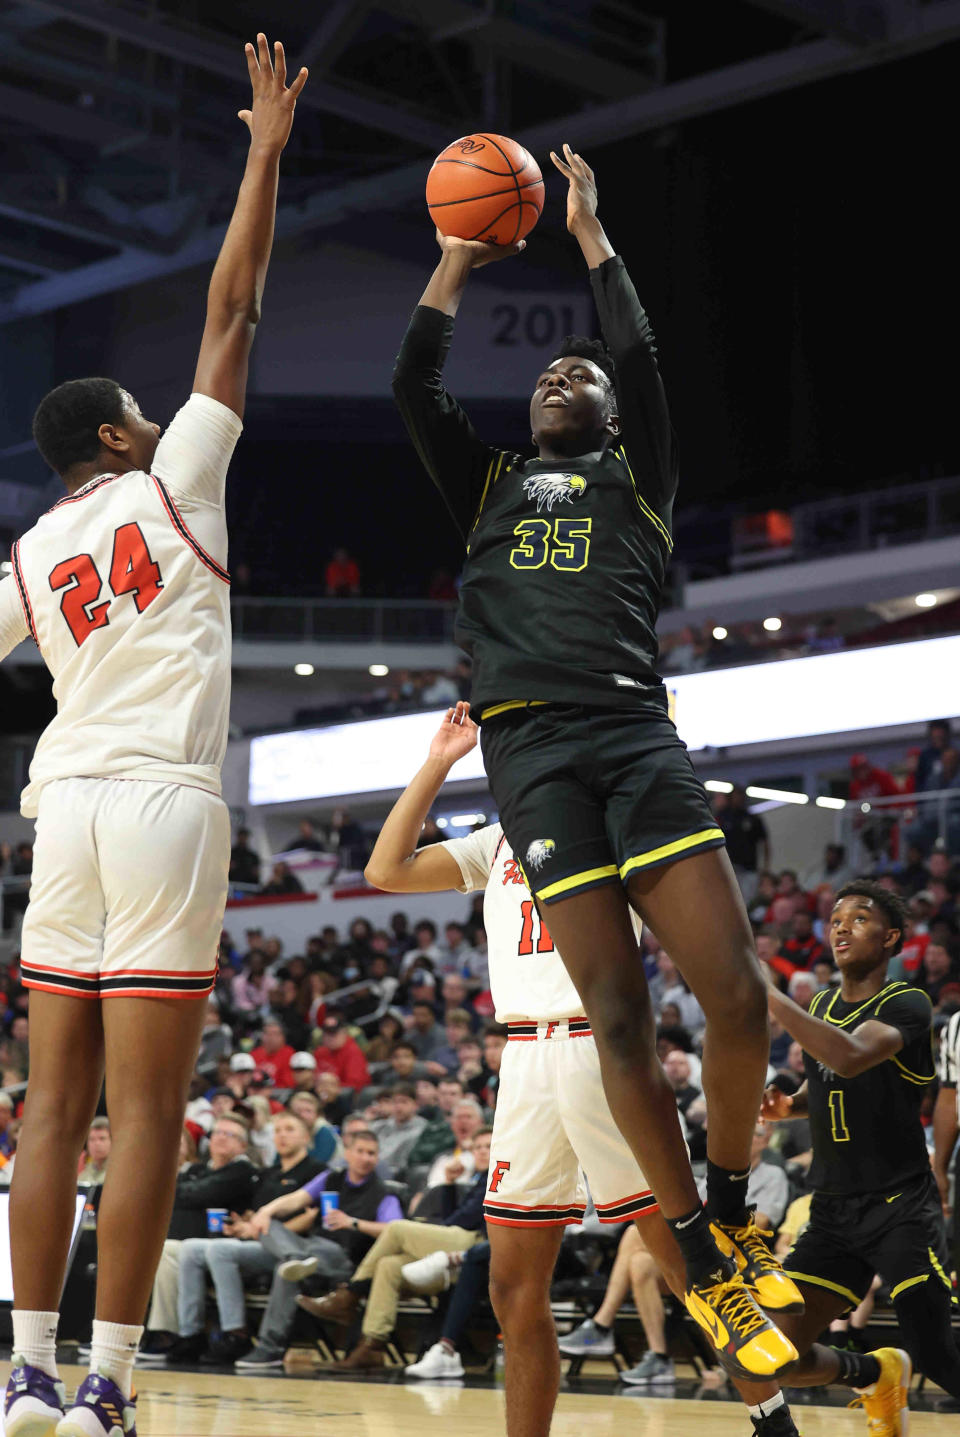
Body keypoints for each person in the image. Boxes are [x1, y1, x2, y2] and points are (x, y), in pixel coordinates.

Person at [392, 144, 785, 1370]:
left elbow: (642, 353)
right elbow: (416, 388)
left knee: (730, 994)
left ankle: (723, 1210)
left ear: (612, 411)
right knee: (617, 1014)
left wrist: (592, 239)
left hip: (630, 732)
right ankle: (699, 1254)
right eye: (547, 373)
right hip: (533, 757)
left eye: (580, 370)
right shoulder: (494, 481)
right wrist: (453, 264)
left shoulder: (640, 474)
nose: (561, 374)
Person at [0, 33, 308, 1437]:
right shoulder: (175, 472)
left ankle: (25, 1372)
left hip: (58, 807)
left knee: (47, 1114)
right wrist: (262, 150)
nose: (155, 410)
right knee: (145, 1115)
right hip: (165, 803)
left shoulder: (30, 553)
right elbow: (233, 307)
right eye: (139, 409)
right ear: (122, 438)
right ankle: (113, 1379)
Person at [362, 705, 800, 1432]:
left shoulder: (611, 819)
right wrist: (439, 759)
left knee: (682, 1259)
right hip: (524, 1063)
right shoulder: (493, 842)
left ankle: (774, 1420)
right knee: (510, 1283)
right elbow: (385, 868)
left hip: (603, 1050)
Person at [761, 879, 960, 1427]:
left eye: (860, 918)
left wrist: (771, 995)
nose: (842, 926)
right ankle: (872, 1374)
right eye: (836, 918)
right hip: (832, 1210)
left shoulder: (907, 1002)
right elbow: (828, 1086)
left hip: (899, 1206)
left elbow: (850, 1058)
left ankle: (899, 1367)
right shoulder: (823, 1003)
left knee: (938, 1355)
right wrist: (790, 1107)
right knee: (769, 1356)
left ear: (892, 938)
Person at [297, 1130, 492, 1371]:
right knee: (388, 1266)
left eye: (489, 1146)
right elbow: (454, 1218)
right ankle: (372, 1347)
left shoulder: (498, 1177)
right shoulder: (476, 1178)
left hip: (479, 1245)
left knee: (397, 1229)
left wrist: (426, 1229)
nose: (483, 1151)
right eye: (479, 1146)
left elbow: (462, 1221)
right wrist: (450, 1184)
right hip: (458, 1241)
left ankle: (350, 1294)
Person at [234, 1127, 401, 1371]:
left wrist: (353, 1223)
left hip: (343, 1257)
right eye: (361, 1151)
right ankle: (296, 1259)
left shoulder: (384, 1193)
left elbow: (394, 1230)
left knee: (286, 1268)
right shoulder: (331, 1178)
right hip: (309, 1248)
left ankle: (269, 1347)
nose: (366, 1158)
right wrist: (265, 1211)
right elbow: (295, 1199)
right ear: (347, 1153)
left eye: (372, 1153)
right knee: (272, 1229)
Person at [167, 1110, 322, 1365]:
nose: (282, 1135)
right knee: (192, 1248)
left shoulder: (316, 1171)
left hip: (295, 1248)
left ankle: (236, 1333)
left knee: (219, 1250)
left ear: (306, 1137)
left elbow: (311, 1217)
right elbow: (253, 1214)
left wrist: (261, 1230)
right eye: (278, 1130)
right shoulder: (268, 1173)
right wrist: (241, 1226)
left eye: (289, 1130)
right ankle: (190, 1333)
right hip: (258, 1244)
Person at [78, 1118, 112, 1188]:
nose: (96, 1144)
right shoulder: (84, 1175)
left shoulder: (118, 1173)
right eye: (92, 1139)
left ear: (112, 1141)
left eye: (102, 1138)